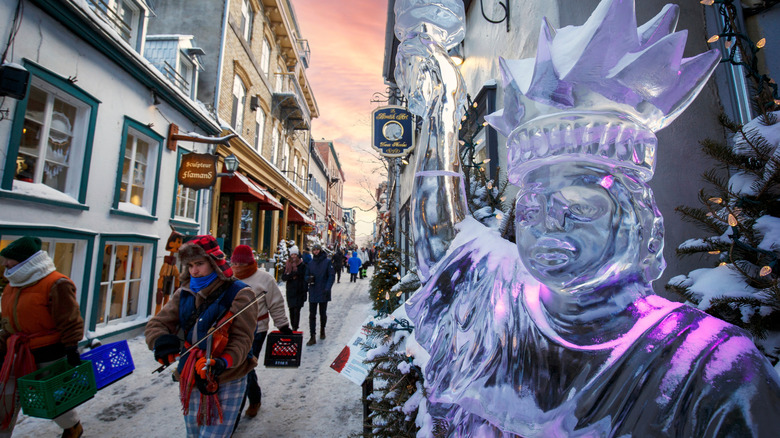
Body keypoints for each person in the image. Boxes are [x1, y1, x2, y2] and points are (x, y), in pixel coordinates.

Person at [396, 0, 780, 436]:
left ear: (646, 226)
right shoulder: (504, 308)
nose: (548, 224)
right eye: (532, 209)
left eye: (578, 207)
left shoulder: (708, 367)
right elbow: (442, 243)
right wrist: (441, 109)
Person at [145, 235, 258, 437]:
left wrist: (223, 361)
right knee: (194, 434)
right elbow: (157, 324)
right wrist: (159, 341)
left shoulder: (240, 293)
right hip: (191, 376)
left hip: (228, 378)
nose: (194, 271)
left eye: (199, 264)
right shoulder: (184, 292)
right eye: (190, 265)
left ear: (214, 263)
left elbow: (243, 340)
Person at [0, 236, 85, 438]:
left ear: (24, 259)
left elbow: (70, 318)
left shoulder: (56, 283)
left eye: (9, 259)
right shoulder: (12, 285)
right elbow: (8, 321)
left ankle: (72, 426)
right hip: (16, 350)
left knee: (52, 396)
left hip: (48, 352)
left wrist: (71, 347)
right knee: (5, 393)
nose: (5, 264)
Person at [229, 245, 292, 421]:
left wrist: (282, 325)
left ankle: (246, 404)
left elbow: (275, 303)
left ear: (250, 262)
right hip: (232, 329)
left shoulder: (264, 279)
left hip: (257, 329)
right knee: (236, 366)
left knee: (245, 365)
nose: (237, 267)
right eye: (235, 263)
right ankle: (247, 399)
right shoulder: (228, 278)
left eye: (241, 264)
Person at [305, 244, 334, 346]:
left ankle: (322, 330)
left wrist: (327, 288)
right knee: (312, 315)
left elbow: (331, 276)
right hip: (313, 290)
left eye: (317, 250)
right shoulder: (310, 263)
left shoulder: (327, 262)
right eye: (314, 250)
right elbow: (306, 275)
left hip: (323, 291)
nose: (316, 251)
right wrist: (308, 279)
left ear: (320, 250)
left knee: (323, 313)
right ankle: (312, 336)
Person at [281, 246, 308, 332]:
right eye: (292, 254)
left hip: (299, 291)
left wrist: (305, 292)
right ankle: (293, 326)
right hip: (290, 291)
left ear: (298, 255)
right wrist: (291, 275)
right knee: (291, 310)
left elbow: (304, 279)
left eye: (295, 254)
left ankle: (295, 328)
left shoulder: (302, 265)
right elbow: (283, 277)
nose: (293, 256)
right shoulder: (287, 264)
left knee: (297, 310)